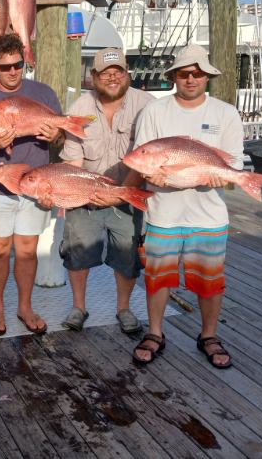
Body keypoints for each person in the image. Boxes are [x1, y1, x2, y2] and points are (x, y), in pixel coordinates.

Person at [131, 44, 241, 369]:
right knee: (157, 277)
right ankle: (155, 332)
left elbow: (231, 169)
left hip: (209, 216)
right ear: (173, 77)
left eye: (198, 73)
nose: (191, 78)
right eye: (184, 73)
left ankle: (208, 335)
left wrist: (225, 178)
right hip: (163, 213)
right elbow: (141, 160)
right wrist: (153, 176)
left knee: (210, 279)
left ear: (207, 76)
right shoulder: (155, 112)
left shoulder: (225, 113)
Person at [0, 33, 65, 336]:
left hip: (34, 185)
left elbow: (61, 139)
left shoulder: (45, 93)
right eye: (5, 66)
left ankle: (24, 306)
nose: (13, 72)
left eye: (18, 65)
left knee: (27, 248)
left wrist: (56, 137)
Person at [57, 48, 153, 334]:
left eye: (118, 71)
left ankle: (123, 308)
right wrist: (63, 191)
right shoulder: (78, 109)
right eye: (104, 73)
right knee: (76, 251)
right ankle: (79, 306)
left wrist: (122, 191)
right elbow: (73, 160)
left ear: (127, 73)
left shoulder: (148, 105)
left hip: (130, 192)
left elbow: (149, 158)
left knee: (127, 257)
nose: (112, 77)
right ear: (93, 76)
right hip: (86, 195)